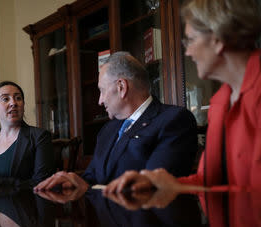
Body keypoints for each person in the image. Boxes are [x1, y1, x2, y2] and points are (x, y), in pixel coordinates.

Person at [104, 0, 261, 196]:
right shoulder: (220, 100)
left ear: (217, 39)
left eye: (192, 40)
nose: (188, 52)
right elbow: (208, 180)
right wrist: (154, 181)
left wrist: (176, 186)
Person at [34, 52, 197, 193]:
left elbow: (150, 187)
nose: (99, 100)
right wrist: (72, 181)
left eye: (102, 90)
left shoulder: (174, 120)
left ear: (121, 87)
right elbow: (92, 177)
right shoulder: (107, 130)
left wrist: (88, 187)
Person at [0, 81, 55, 188]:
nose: (13, 103)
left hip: (24, 203)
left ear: (23, 104)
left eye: (18, 98)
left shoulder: (39, 137)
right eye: (5, 99)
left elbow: (42, 184)